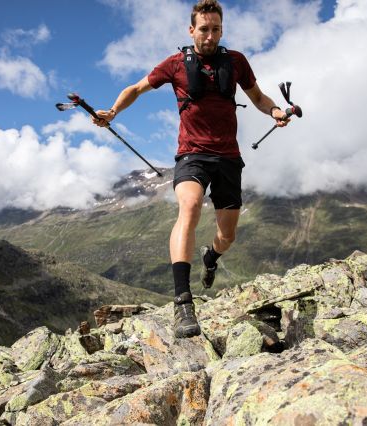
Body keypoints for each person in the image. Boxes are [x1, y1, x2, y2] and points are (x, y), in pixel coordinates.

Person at [93, 0, 290, 338]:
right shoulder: (175, 64)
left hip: (228, 157)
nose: (210, 35)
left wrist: (274, 112)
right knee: (190, 205)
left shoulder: (237, 62)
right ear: (191, 30)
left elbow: (258, 97)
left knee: (227, 236)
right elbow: (137, 89)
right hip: (192, 154)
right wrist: (112, 112)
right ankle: (183, 303)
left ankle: (210, 257)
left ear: (221, 30)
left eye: (215, 29)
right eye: (204, 29)